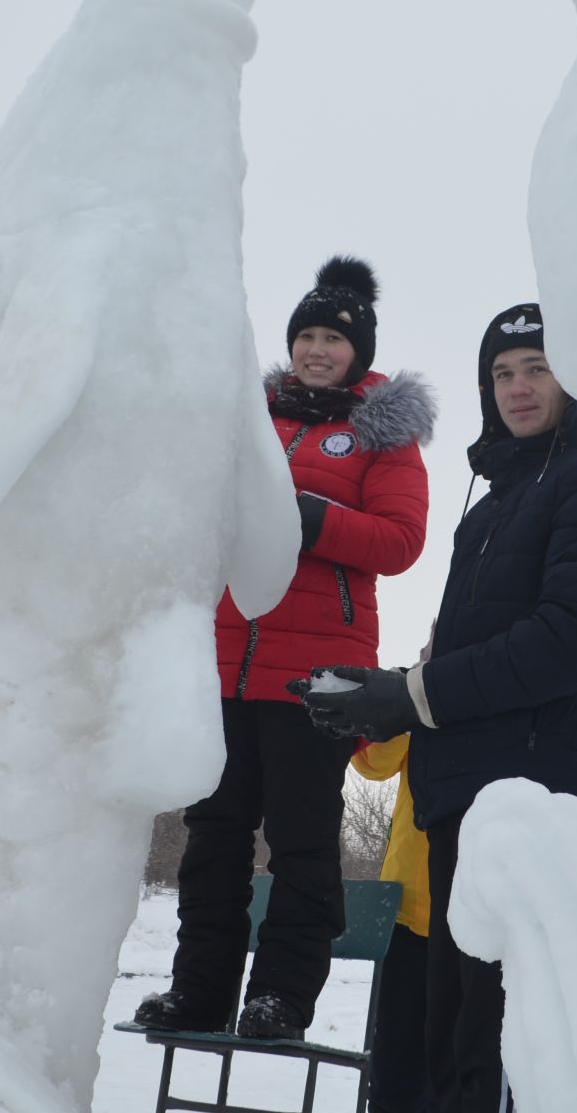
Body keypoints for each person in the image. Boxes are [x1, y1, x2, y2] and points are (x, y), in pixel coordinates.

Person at [297, 301, 577, 1111]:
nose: (518, 388)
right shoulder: (488, 512)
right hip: (459, 807)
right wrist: (383, 695)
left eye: (538, 369)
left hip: (538, 807)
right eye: (502, 373)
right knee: (445, 1055)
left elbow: (573, 641)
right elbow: (460, 665)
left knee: (499, 1056)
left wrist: (415, 697)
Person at [134, 257, 434, 1041]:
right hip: (225, 661)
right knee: (214, 841)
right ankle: (198, 990)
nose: (315, 349)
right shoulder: (251, 418)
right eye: (305, 334)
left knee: (301, 844)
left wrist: (309, 516)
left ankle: (282, 998)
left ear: (358, 351)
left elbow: (402, 541)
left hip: (316, 672)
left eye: (332, 337)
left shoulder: (383, 435)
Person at [349, 731, 432, 1113]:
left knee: (459, 1063)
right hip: (406, 909)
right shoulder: (419, 705)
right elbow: (371, 764)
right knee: (394, 1060)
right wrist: (408, 706)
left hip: (480, 920)